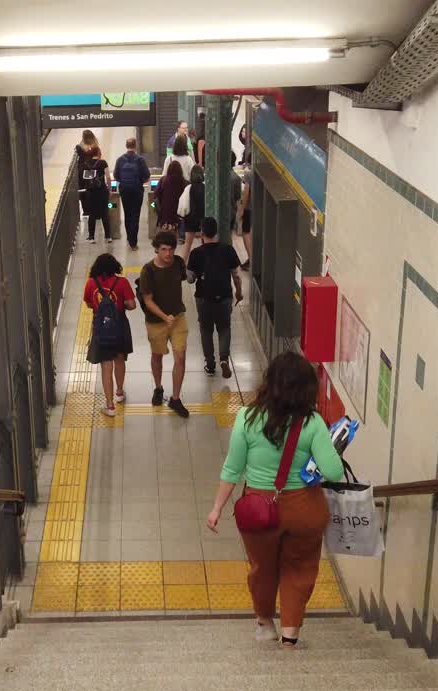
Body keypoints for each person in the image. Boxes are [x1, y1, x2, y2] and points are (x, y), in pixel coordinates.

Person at [205, 352, 343, 646]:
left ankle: (265, 624)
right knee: (300, 568)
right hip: (304, 508)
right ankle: (290, 636)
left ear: (270, 382)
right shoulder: (313, 423)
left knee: (262, 568)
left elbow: (232, 469)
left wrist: (216, 508)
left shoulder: (247, 417)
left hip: (258, 509)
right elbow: (333, 471)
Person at [136, 231, 190, 418]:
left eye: (171, 249)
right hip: (156, 322)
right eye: (164, 249)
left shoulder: (178, 263)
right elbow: (148, 300)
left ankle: (175, 398)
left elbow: (182, 279)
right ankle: (158, 387)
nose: (168, 253)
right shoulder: (148, 271)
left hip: (178, 318)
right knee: (157, 356)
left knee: (180, 357)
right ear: (156, 250)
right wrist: (164, 316)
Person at [186, 217, 242, 378]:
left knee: (206, 330)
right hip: (224, 296)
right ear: (217, 232)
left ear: (201, 232)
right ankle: (224, 359)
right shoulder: (228, 250)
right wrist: (238, 292)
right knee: (224, 328)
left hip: (203, 298)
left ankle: (210, 364)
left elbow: (190, 279)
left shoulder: (196, 253)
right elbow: (236, 276)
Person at [84, 253, 136, 416]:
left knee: (106, 365)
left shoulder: (91, 283)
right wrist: (118, 305)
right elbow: (132, 305)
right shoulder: (122, 282)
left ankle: (110, 406)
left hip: (101, 327)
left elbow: (89, 303)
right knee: (119, 359)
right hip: (119, 325)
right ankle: (119, 392)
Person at [114, 138, 150, 249]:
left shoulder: (120, 159)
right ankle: (133, 243)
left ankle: (129, 237)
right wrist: (140, 182)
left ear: (126, 146)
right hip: (137, 190)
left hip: (124, 190)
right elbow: (147, 175)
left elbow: (116, 175)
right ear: (136, 146)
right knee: (135, 215)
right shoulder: (140, 160)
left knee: (127, 213)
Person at [82, 146, 111, 243]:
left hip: (91, 192)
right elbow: (108, 177)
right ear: (98, 153)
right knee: (104, 213)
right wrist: (109, 189)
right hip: (102, 191)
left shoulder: (86, 164)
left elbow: (84, 179)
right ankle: (108, 237)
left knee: (92, 214)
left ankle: (91, 237)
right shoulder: (103, 162)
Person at [177, 164, 206, 259]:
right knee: (206, 244)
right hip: (204, 219)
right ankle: (206, 263)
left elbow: (183, 205)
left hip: (190, 219)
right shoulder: (206, 187)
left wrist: (182, 217)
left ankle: (183, 263)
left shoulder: (188, 188)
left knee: (187, 244)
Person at [153, 160, 187, 238]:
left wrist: (155, 208)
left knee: (165, 236)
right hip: (179, 214)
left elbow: (155, 196)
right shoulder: (184, 182)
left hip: (165, 214)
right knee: (176, 235)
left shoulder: (163, 180)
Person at [75, 129, 100, 217]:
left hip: (81, 172)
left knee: (82, 189)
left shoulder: (79, 147)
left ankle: (86, 210)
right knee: (91, 188)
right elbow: (97, 160)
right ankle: (93, 208)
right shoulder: (95, 147)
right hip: (91, 171)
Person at [238, 162, 252, 269]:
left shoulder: (249, 175)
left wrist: (242, 208)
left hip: (249, 208)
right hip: (259, 209)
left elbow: (246, 192)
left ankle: (251, 259)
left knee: (246, 233)